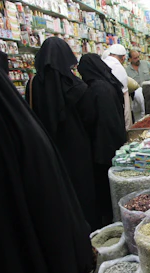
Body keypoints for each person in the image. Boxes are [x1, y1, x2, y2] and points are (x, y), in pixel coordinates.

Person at [0, 44, 103, 273]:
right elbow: (54, 208)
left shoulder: (32, 89)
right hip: (73, 165)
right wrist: (82, 262)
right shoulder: (26, 133)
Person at [25, 37, 98, 230]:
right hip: (77, 147)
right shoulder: (78, 87)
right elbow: (89, 118)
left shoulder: (32, 85)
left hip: (48, 146)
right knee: (83, 188)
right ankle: (88, 227)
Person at [78, 53, 126, 225]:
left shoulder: (94, 89)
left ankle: (109, 217)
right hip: (117, 138)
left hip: (102, 145)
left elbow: (89, 118)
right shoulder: (110, 83)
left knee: (105, 184)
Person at [102, 44, 132, 130]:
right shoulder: (119, 68)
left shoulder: (103, 62)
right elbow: (124, 96)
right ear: (123, 57)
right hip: (117, 103)